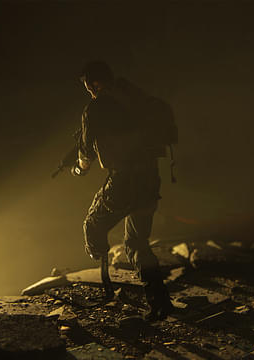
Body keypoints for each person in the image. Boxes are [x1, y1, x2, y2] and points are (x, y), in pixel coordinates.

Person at [72, 60, 174, 321]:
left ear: (94, 83)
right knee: (137, 242)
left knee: (93, 226)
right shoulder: (135, 98)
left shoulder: (96, 107)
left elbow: (85, 155)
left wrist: (79, 168)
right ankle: (160, 303)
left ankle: (105, 281)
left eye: (88, 87)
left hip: (124, 181)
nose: (89, 92)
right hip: (150, 177)